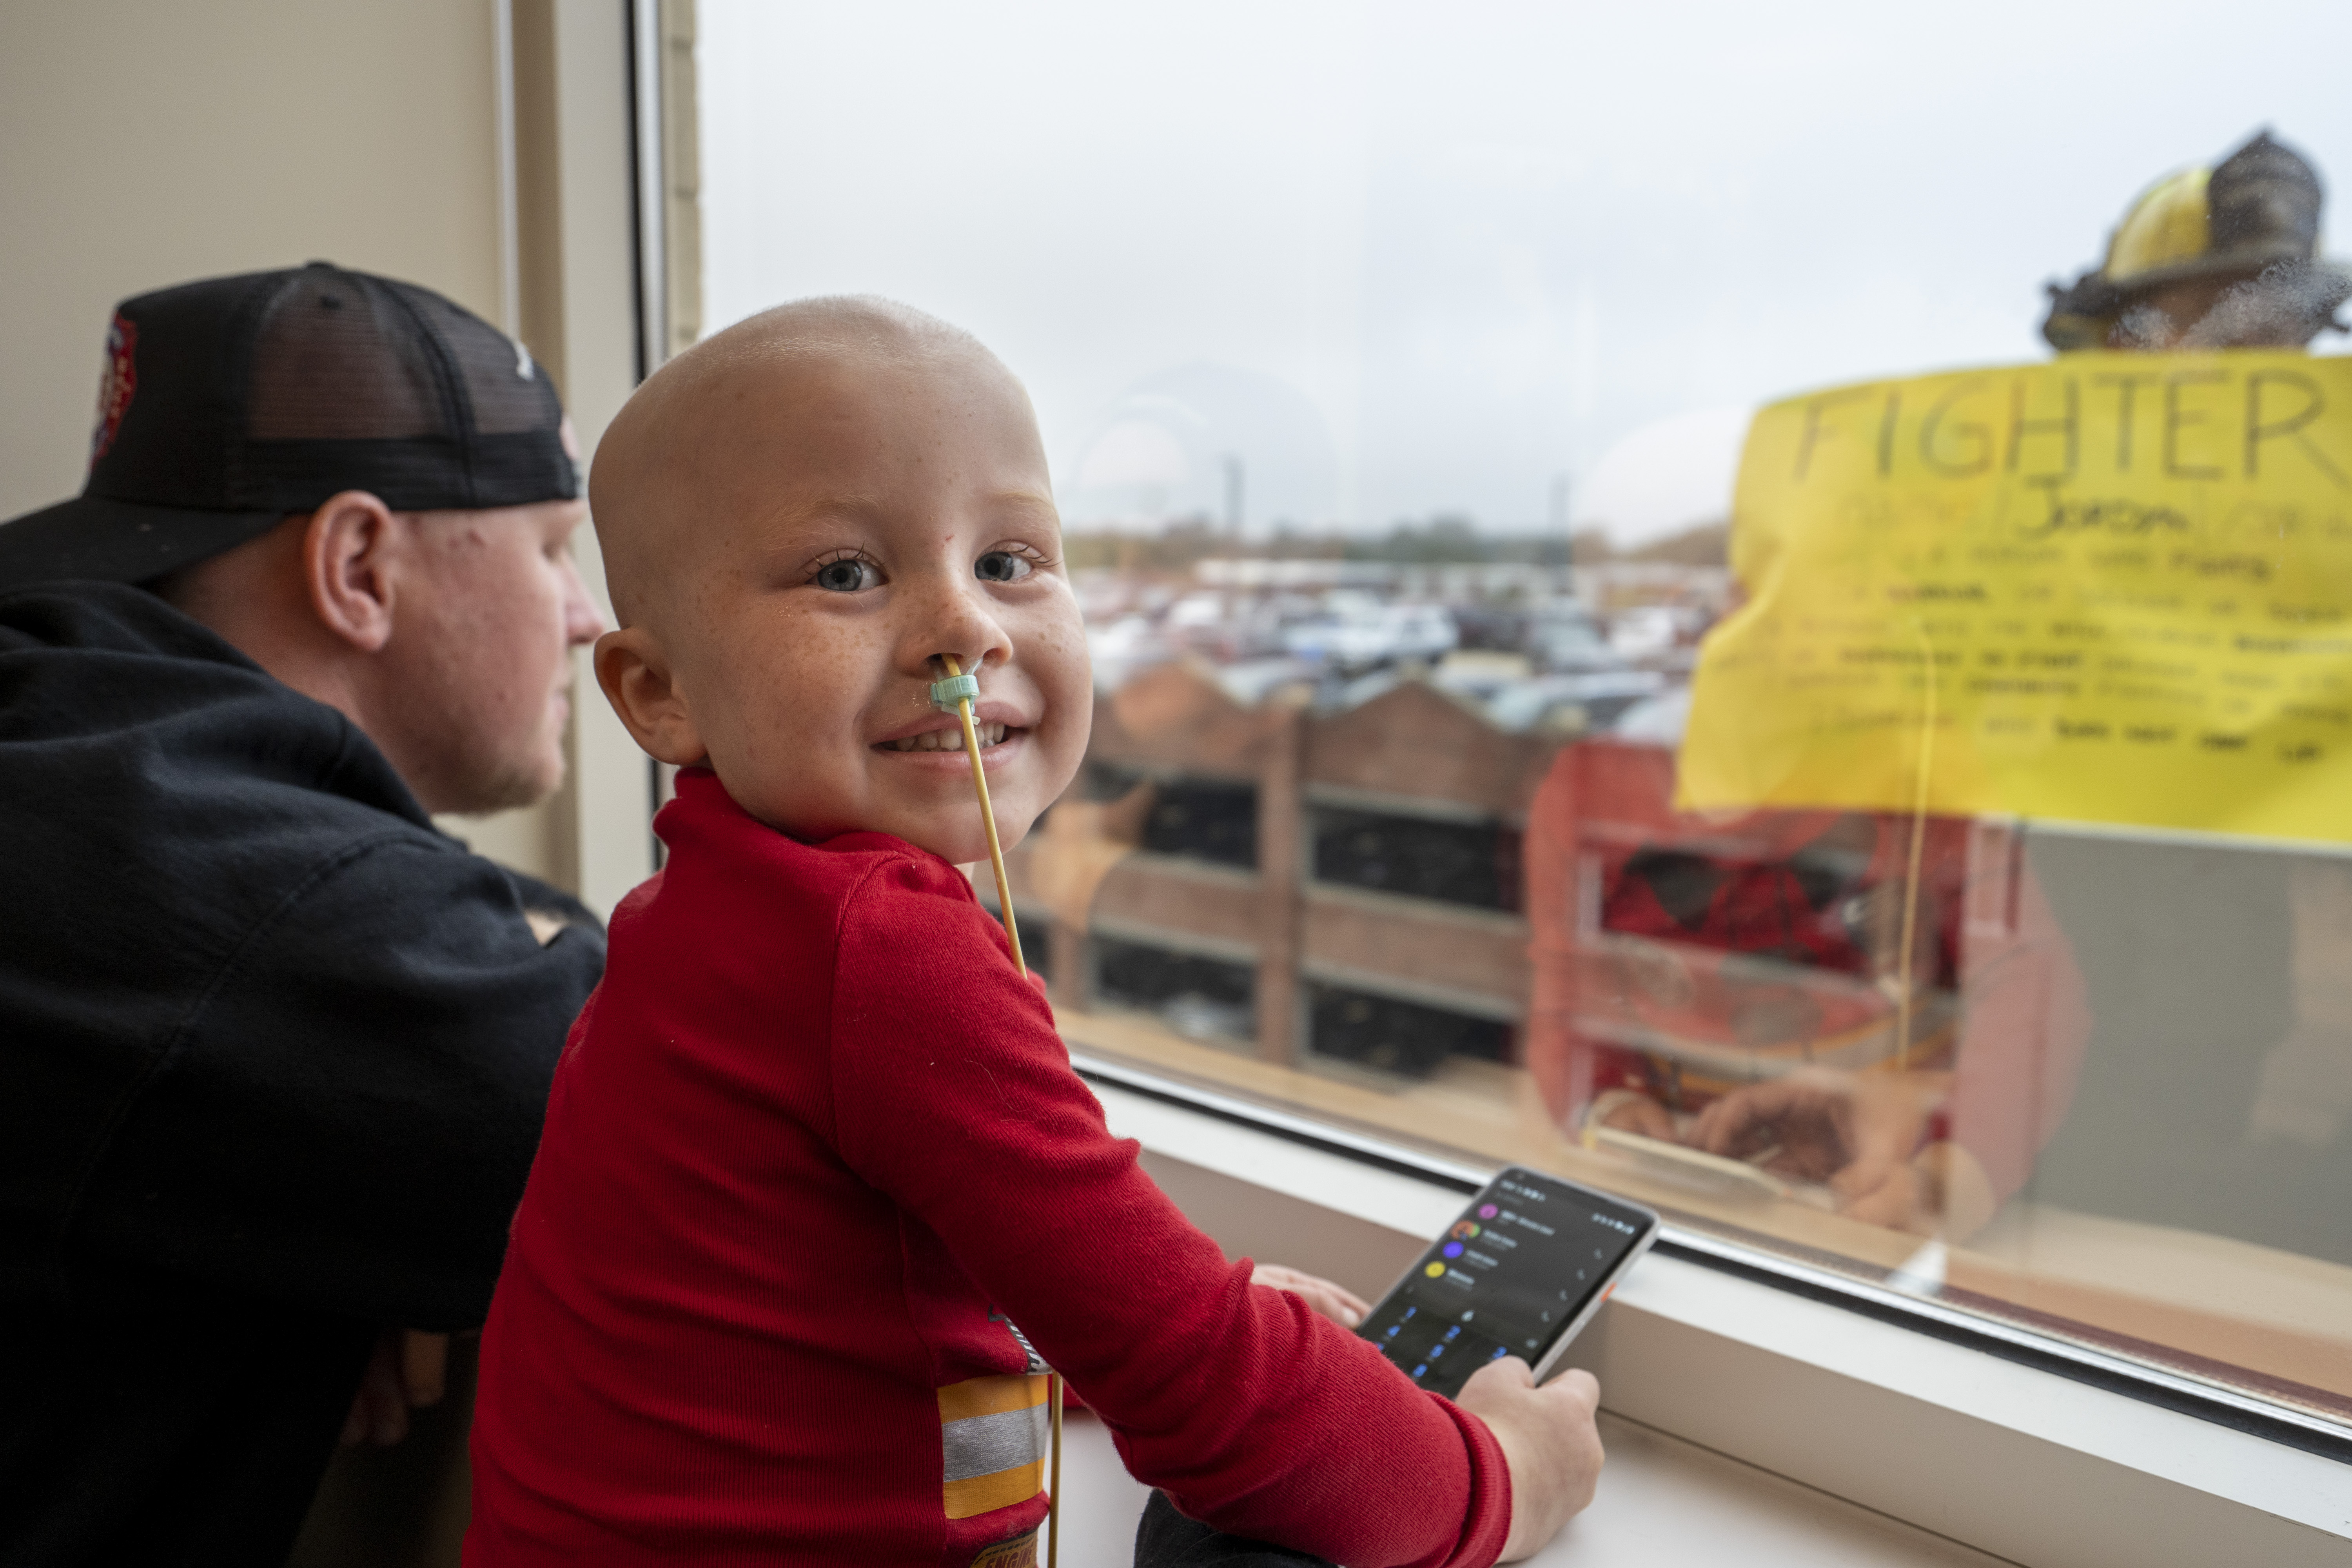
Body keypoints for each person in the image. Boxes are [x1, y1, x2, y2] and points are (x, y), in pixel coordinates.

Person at [463, 297, 1606, 1567]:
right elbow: (1210, 1400)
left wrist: (1146, 1315)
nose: (969, 628)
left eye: (1010, 560)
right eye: (847, 572)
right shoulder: (874, 946)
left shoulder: (709, 911)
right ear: (658, 692)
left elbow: (821, 1310)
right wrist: (1504, 1473)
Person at [0, 263, 608, 1563]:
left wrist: (346, 1204)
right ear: (359, 566)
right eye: (553, 547)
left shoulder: (88, 746)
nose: (587, 618)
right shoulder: (200, 880)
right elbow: (672, 1099)